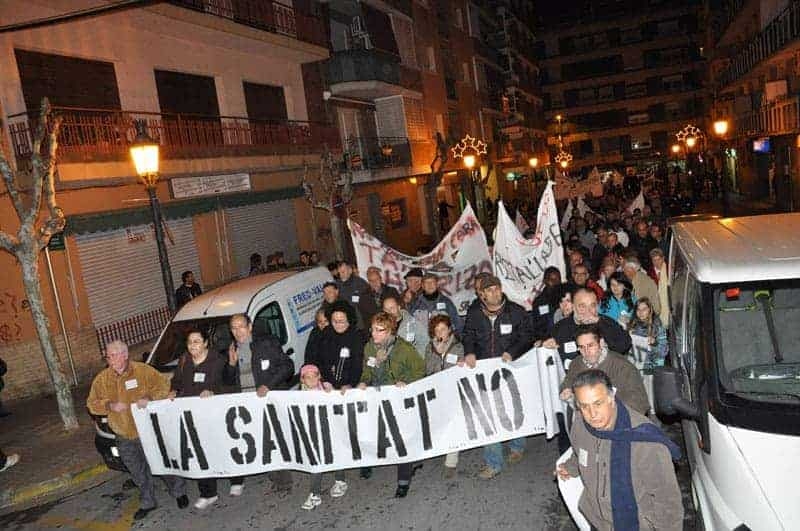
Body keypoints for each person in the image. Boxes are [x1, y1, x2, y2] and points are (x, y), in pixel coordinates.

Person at [555, 370, 683, 531]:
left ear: (611, 398)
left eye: (598, 403)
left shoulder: (645, 442)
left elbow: (668, 501)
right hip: (596, 520)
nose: (592, 414)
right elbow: (579, 451)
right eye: (584, 406)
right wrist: (571, 467)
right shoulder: (580, 425)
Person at [87, 340, 188, 520]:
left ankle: (178, 492)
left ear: (125, 355)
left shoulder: (142, 371)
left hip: (147, 431)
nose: (110, 359)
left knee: (162, 463)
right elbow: (91, 404)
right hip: (123, 434)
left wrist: (149, 397)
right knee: (137, 471)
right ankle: (148, 501)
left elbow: (163, 385)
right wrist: (109, 405)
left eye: (114, 355)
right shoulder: (102, 379)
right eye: (108, 356)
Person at [461, 275, 534, 479]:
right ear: (481, 295)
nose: (494, 293)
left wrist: (513, 351)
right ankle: (494, 462)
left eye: (497, 288)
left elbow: (527, 336)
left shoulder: (516, 312)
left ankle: (517, 445)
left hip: (511, 370)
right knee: (488, 414)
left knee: (512, 408)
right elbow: (468, 335)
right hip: (485, 373)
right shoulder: (475, 313)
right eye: (489, 290)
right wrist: (469, 352)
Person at [358, 312, 425, 496]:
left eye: (380, 331)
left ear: (390, 331)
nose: (375, 334)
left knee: (400, 436)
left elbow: (420, 370)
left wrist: (406, 381)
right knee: (372, 432)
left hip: (398, 398)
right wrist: (364, 381)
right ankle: (369, 462)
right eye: (373, 330)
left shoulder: (404, 349)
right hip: (378, 397)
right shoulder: (369, 348)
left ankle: (404, 479)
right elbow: (367, 370)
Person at [225, 314, 294, 493]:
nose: (238, 331)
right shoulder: (232, 349)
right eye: (234, 328)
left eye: (241, 326)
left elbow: (287, 366)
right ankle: (274, 477)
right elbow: (227, 382)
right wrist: (231, 364)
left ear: (250, 327)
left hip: (269, 402)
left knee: (275, 440)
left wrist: (268, 385)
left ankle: (284, 481)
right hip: (248, 407)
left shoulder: (266, 344)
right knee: (262, 443)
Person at [168, 329, 229, 509]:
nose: (192, 345)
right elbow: (177, 381)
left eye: (196, 341)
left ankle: (236, 479)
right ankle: (208, 493)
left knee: (219, 450)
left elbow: (225, 384)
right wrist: (173, 390)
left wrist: (212, 391)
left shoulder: (217, 360)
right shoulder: (184, 360)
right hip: (191, 416)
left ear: (205, 343)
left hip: (212, 415)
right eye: (189, 342)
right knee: (198, 452)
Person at [559, 325, 650, 415]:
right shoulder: (576, 363)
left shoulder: (623, 366)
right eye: (582, 347)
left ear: (601, 343)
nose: (586, 352)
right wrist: (566, 389)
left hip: (618, 419)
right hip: (587, 417)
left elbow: (640, 404)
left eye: (590, 345)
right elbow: (568, 381)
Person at [423, 315, 464, 479]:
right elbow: (428, 369)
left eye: (443, 329)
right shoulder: (429, 347)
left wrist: (446, 357)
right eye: (437, 330)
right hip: (436, 390)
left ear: (449, 330)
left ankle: (451, 461)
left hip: (452, 391)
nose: (440, 332)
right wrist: (437, 355)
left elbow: (456, 369)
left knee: (453, 423)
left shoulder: (457, 346)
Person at [299, 364, 344, 510]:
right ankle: (315, 494)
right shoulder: (297, 397)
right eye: (307, 377)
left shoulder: (326, 388)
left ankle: (340, 481)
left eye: (314, 375)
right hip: (313, 434)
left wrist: (331, 391)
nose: (311, 379)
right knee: (316, 462)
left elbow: (338, 401)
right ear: (302, 380)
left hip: (330, 431)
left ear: (319, 376)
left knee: (335, 456)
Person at [544, 288, 632, 362]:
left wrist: (601, 323)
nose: (588, 311)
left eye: (592, 306)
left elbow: (624, 346)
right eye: (582, 306)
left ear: (597, 306)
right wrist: (546, 347)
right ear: (573, 307)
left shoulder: (605, 322)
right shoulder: (561, 328)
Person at [309, 301, 364, 390]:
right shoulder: (326, 333)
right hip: (327, 384)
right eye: (334, 321)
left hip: (347, 385)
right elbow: (318, 359)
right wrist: (325, 381)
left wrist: (350, 384)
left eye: (341, 321)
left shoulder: (356, 337)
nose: (338, 325)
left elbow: (357, 365)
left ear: (349, 320)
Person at [409, 272, 463, 354]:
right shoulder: (415, 304)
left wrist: (456, 346)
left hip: (444, 348)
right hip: (421, 349)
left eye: (432, 282)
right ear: (422, 286)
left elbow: (457, 325)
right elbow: (409, 326)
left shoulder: (447, 303)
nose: (430, 285)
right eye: (427, 282)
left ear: (437, 284)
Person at [628, 298, 668, 371]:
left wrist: (654, 343)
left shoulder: (658, 327)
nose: (641, 312)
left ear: (650, 310)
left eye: (644, 309)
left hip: (651, 368)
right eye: (638, 309)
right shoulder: (632, 326)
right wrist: (626, 338)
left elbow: (663, 352)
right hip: (635, 367)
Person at [338, 260, 378, 329]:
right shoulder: (338, 285)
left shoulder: (360, 283)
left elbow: (366, 302)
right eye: (339, 273)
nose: (341, 275)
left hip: (361, 322)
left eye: (343, 272)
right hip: (346, 322)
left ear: (350, 270)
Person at [648, 248, 670, 327]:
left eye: (658, 259)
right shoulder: (650, 273)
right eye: (654, 260)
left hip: (669, 303)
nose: (657, 262)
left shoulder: (670, 270)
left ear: (663, 258)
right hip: (656, 304)